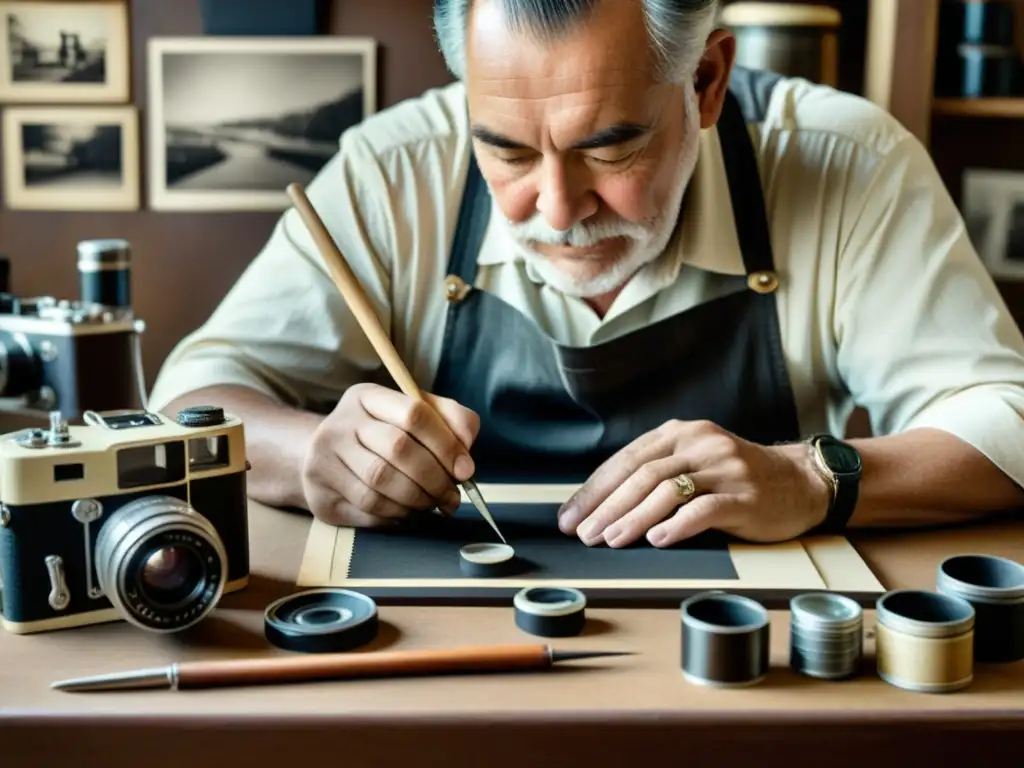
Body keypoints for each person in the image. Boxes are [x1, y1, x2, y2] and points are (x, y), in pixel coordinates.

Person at [149, 0, 1024, 550]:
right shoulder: (391, 171)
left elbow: (1007, 421)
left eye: (612, 146)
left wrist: (808, 478)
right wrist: (309, 456)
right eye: (506, 151)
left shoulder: (847, 163)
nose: (558, 210)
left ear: (707, 82)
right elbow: (190, 397)